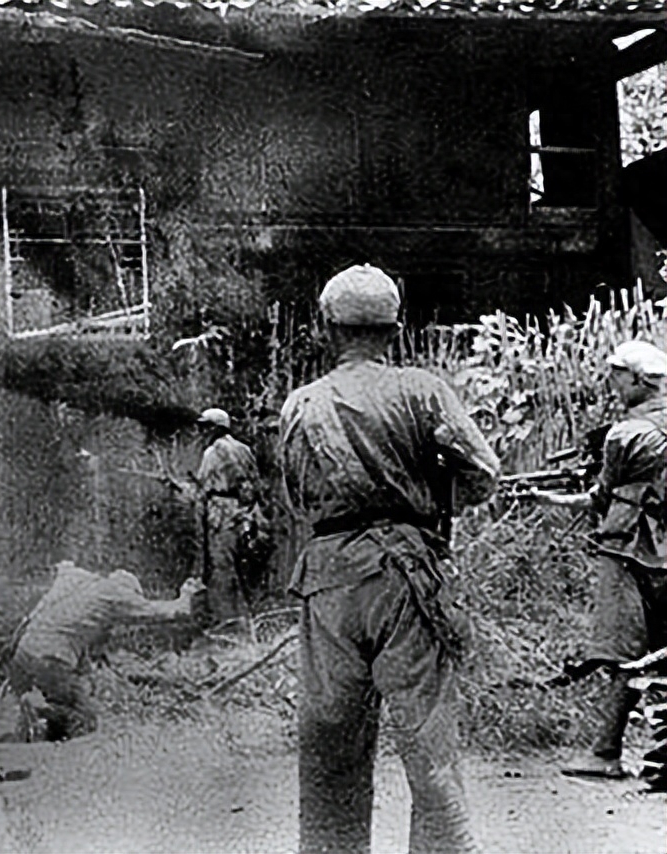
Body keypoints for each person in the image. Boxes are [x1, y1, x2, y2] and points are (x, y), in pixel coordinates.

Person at [278, 264, 499, 854]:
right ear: (396, 330)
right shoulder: (423, 390)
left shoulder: (300, 404)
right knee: (429, 744)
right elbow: (483, 474)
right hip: (408, 578)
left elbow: (297, 498)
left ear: (327, 328)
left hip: (329, 579)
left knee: (330, 743)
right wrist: (431, 492)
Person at [530, 339, 667, 779]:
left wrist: (549, 500)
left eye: (617, 377)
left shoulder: (626, 435)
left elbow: (601, 496)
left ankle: (605, 752)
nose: (614, 386)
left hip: (629, 551)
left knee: (625, 653)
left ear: (637, 380)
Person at [7, 560, 203, 742]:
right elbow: (173, 612)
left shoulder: (78, 584)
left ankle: (32, 732)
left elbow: (77, 653)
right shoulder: (116, 594)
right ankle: (40, 709)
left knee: (60, 718)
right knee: (87, 720)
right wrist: (187, 593)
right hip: (50, 658)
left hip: (21, 655)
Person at [195, 407, 262, 627]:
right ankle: (251, 619)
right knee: (245, 569)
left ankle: (228, 622)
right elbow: (256, 482)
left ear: (216, 428)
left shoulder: (212, 452)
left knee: (222, 568)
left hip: (221, 511)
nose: (202, 432)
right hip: (245, 513)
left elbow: (203, 486)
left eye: (205, 427)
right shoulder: (244, 449)